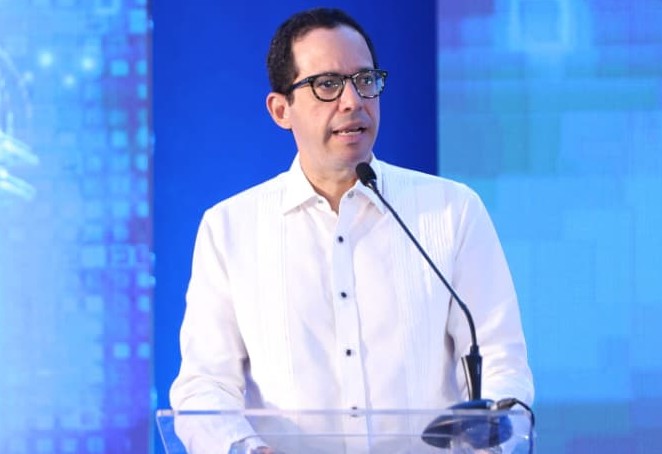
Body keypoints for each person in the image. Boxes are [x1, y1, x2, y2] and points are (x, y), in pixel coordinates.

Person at [169, 7, 534, 454]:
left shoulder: (451, 211)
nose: (352, 101)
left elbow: (499, 359)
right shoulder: (230, 228)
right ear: (281, 110)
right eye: (327, 85)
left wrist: (489, 437)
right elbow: (204, 386)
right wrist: (244, 449)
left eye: (365, 80)